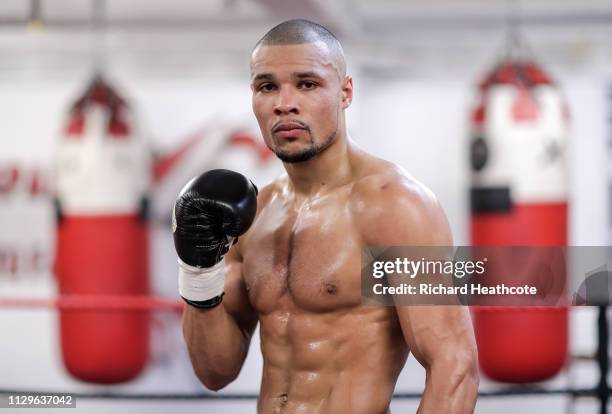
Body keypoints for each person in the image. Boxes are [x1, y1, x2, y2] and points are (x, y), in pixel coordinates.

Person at [174, 19, 479, 414]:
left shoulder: (393, 206)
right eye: (267, 86)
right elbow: (214, 370)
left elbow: (454, 366)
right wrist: (198, 271)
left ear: (345, 92)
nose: (284, 103)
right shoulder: (253, 216)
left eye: (307, 84)